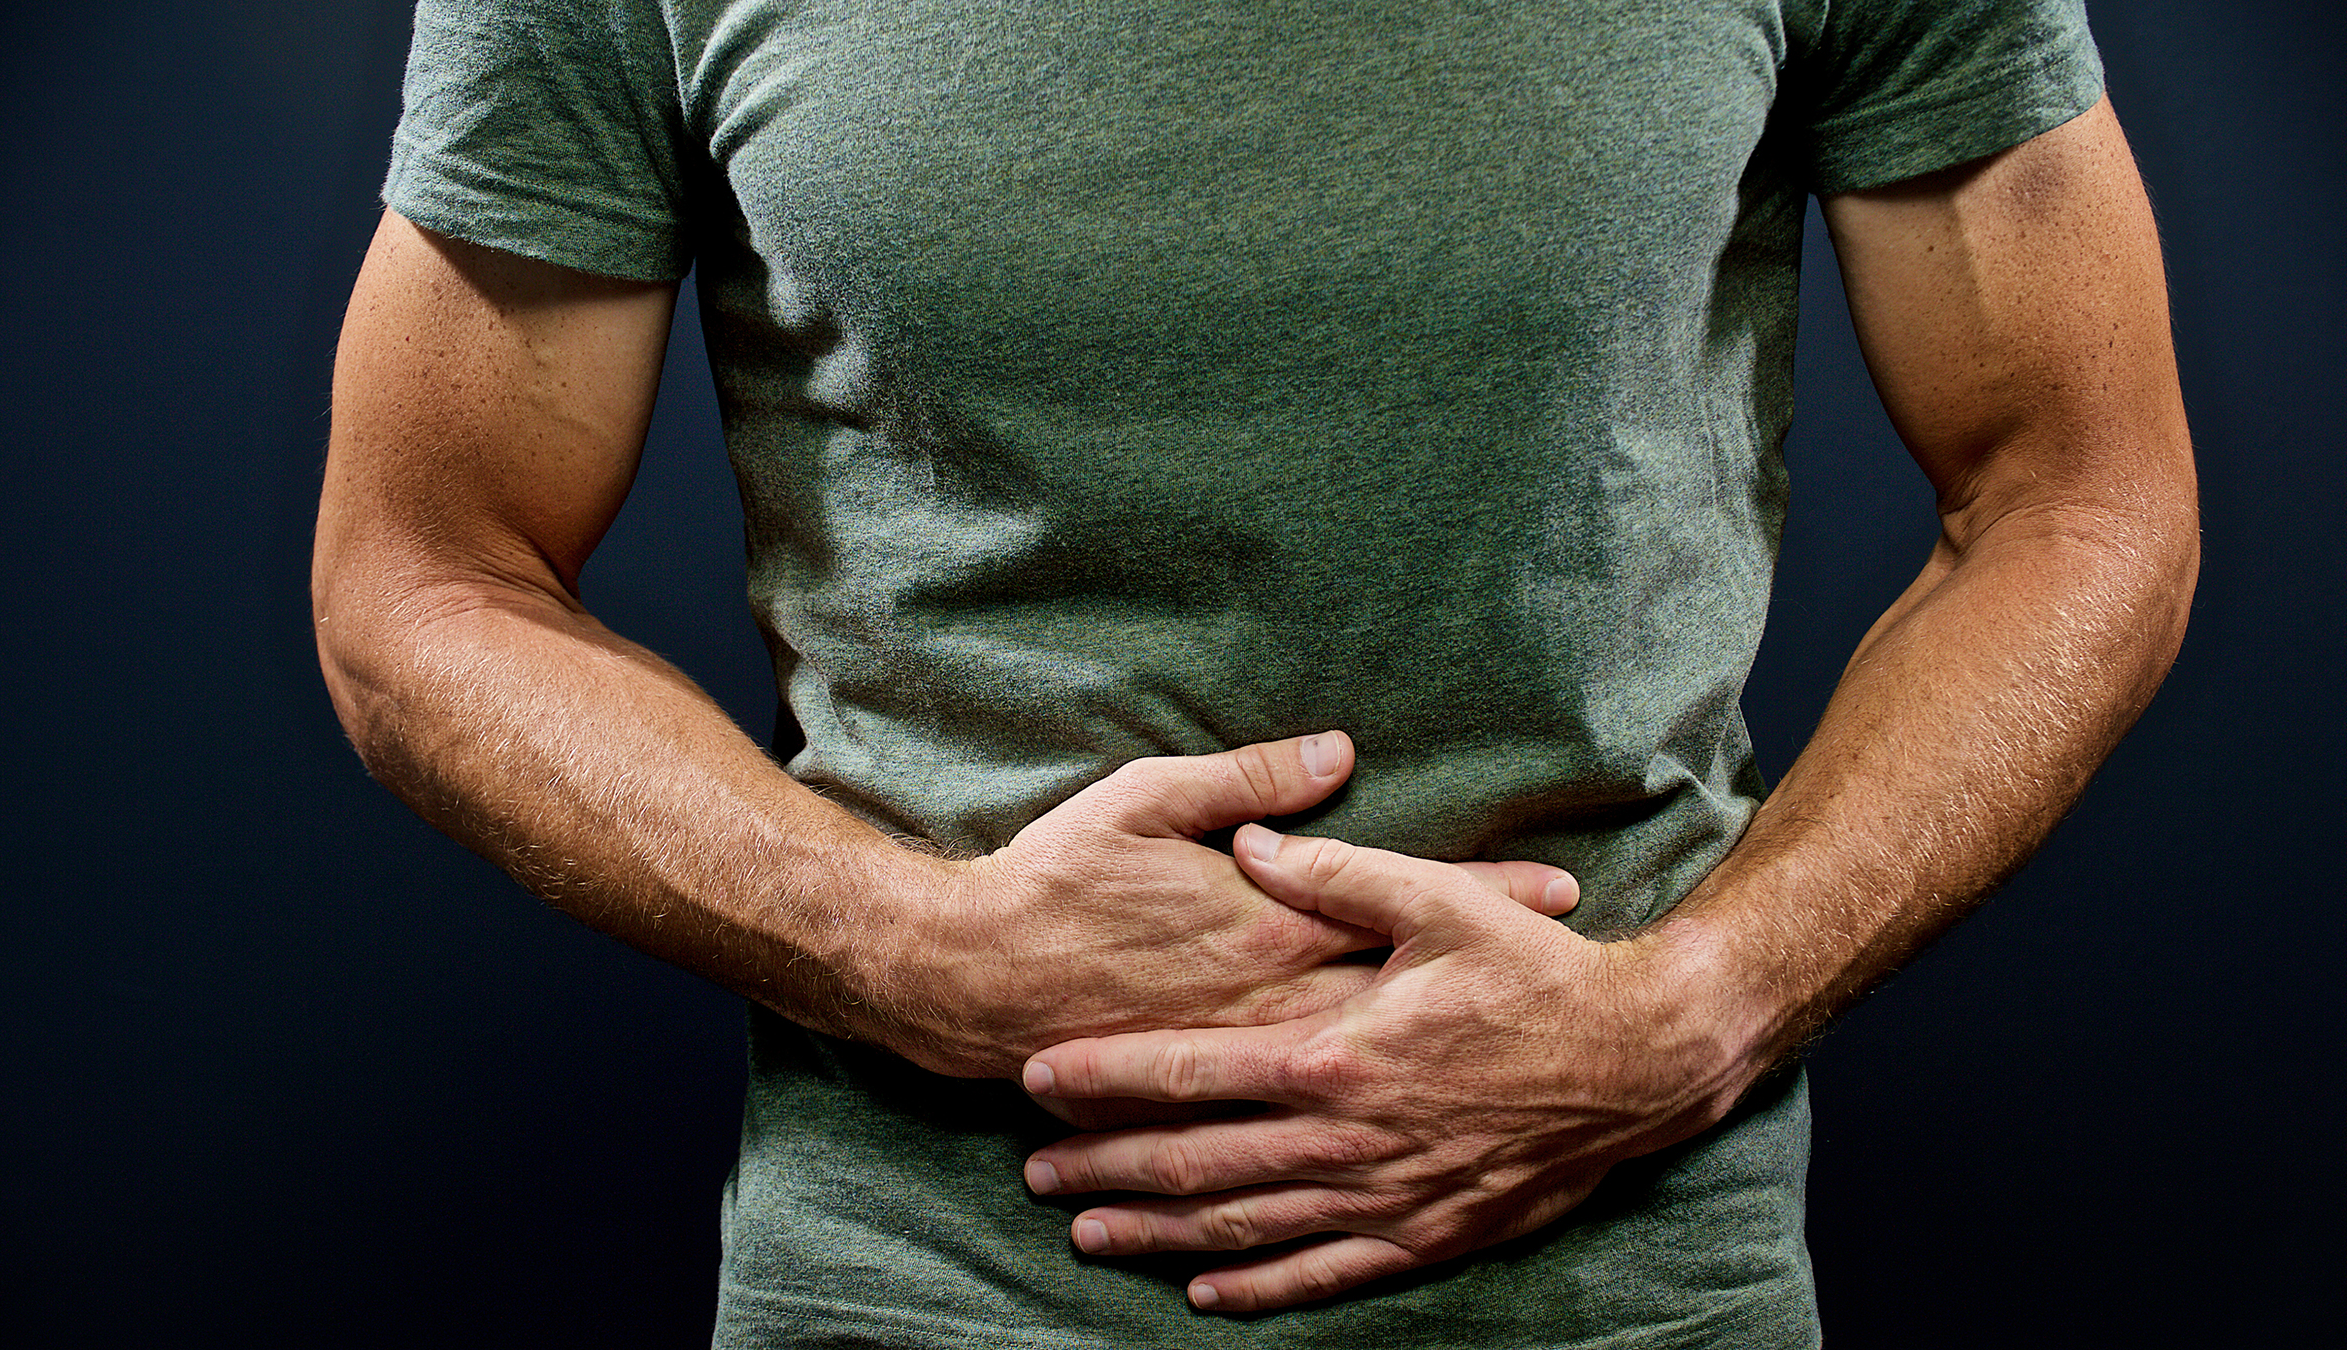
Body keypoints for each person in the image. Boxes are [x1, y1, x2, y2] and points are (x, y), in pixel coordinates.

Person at [312, 0, 2197, 1344]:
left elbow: (2081, 492)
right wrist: (904, 947)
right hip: (921, 1287)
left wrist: (1696, 1009)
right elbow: (421, 575)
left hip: (1628, 1293)